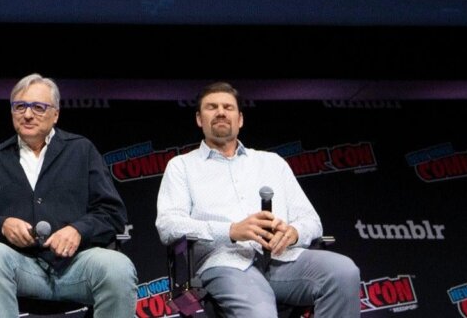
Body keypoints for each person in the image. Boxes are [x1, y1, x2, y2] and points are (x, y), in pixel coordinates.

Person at [155, 82, 361, 318]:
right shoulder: (182, 166)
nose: (221, 112)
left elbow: (312, 221)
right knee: (259, 313)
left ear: (240, 119)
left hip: (284, 260)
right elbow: (168, 225)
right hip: (227, 264)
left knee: (343, 272)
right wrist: (231, 230)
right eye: (212, 107)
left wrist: (293, 232)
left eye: (228, 107)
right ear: (199, 119)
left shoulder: (272, 162)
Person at [0, 74, 135, 318]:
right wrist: (2, 225)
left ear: (55, 114)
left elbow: (113, 213)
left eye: (38, 107)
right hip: (20, 267)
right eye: (20, 106)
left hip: (77, 266)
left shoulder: (81, 150)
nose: (28, 114)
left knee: (117, 267)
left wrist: (78, 230)